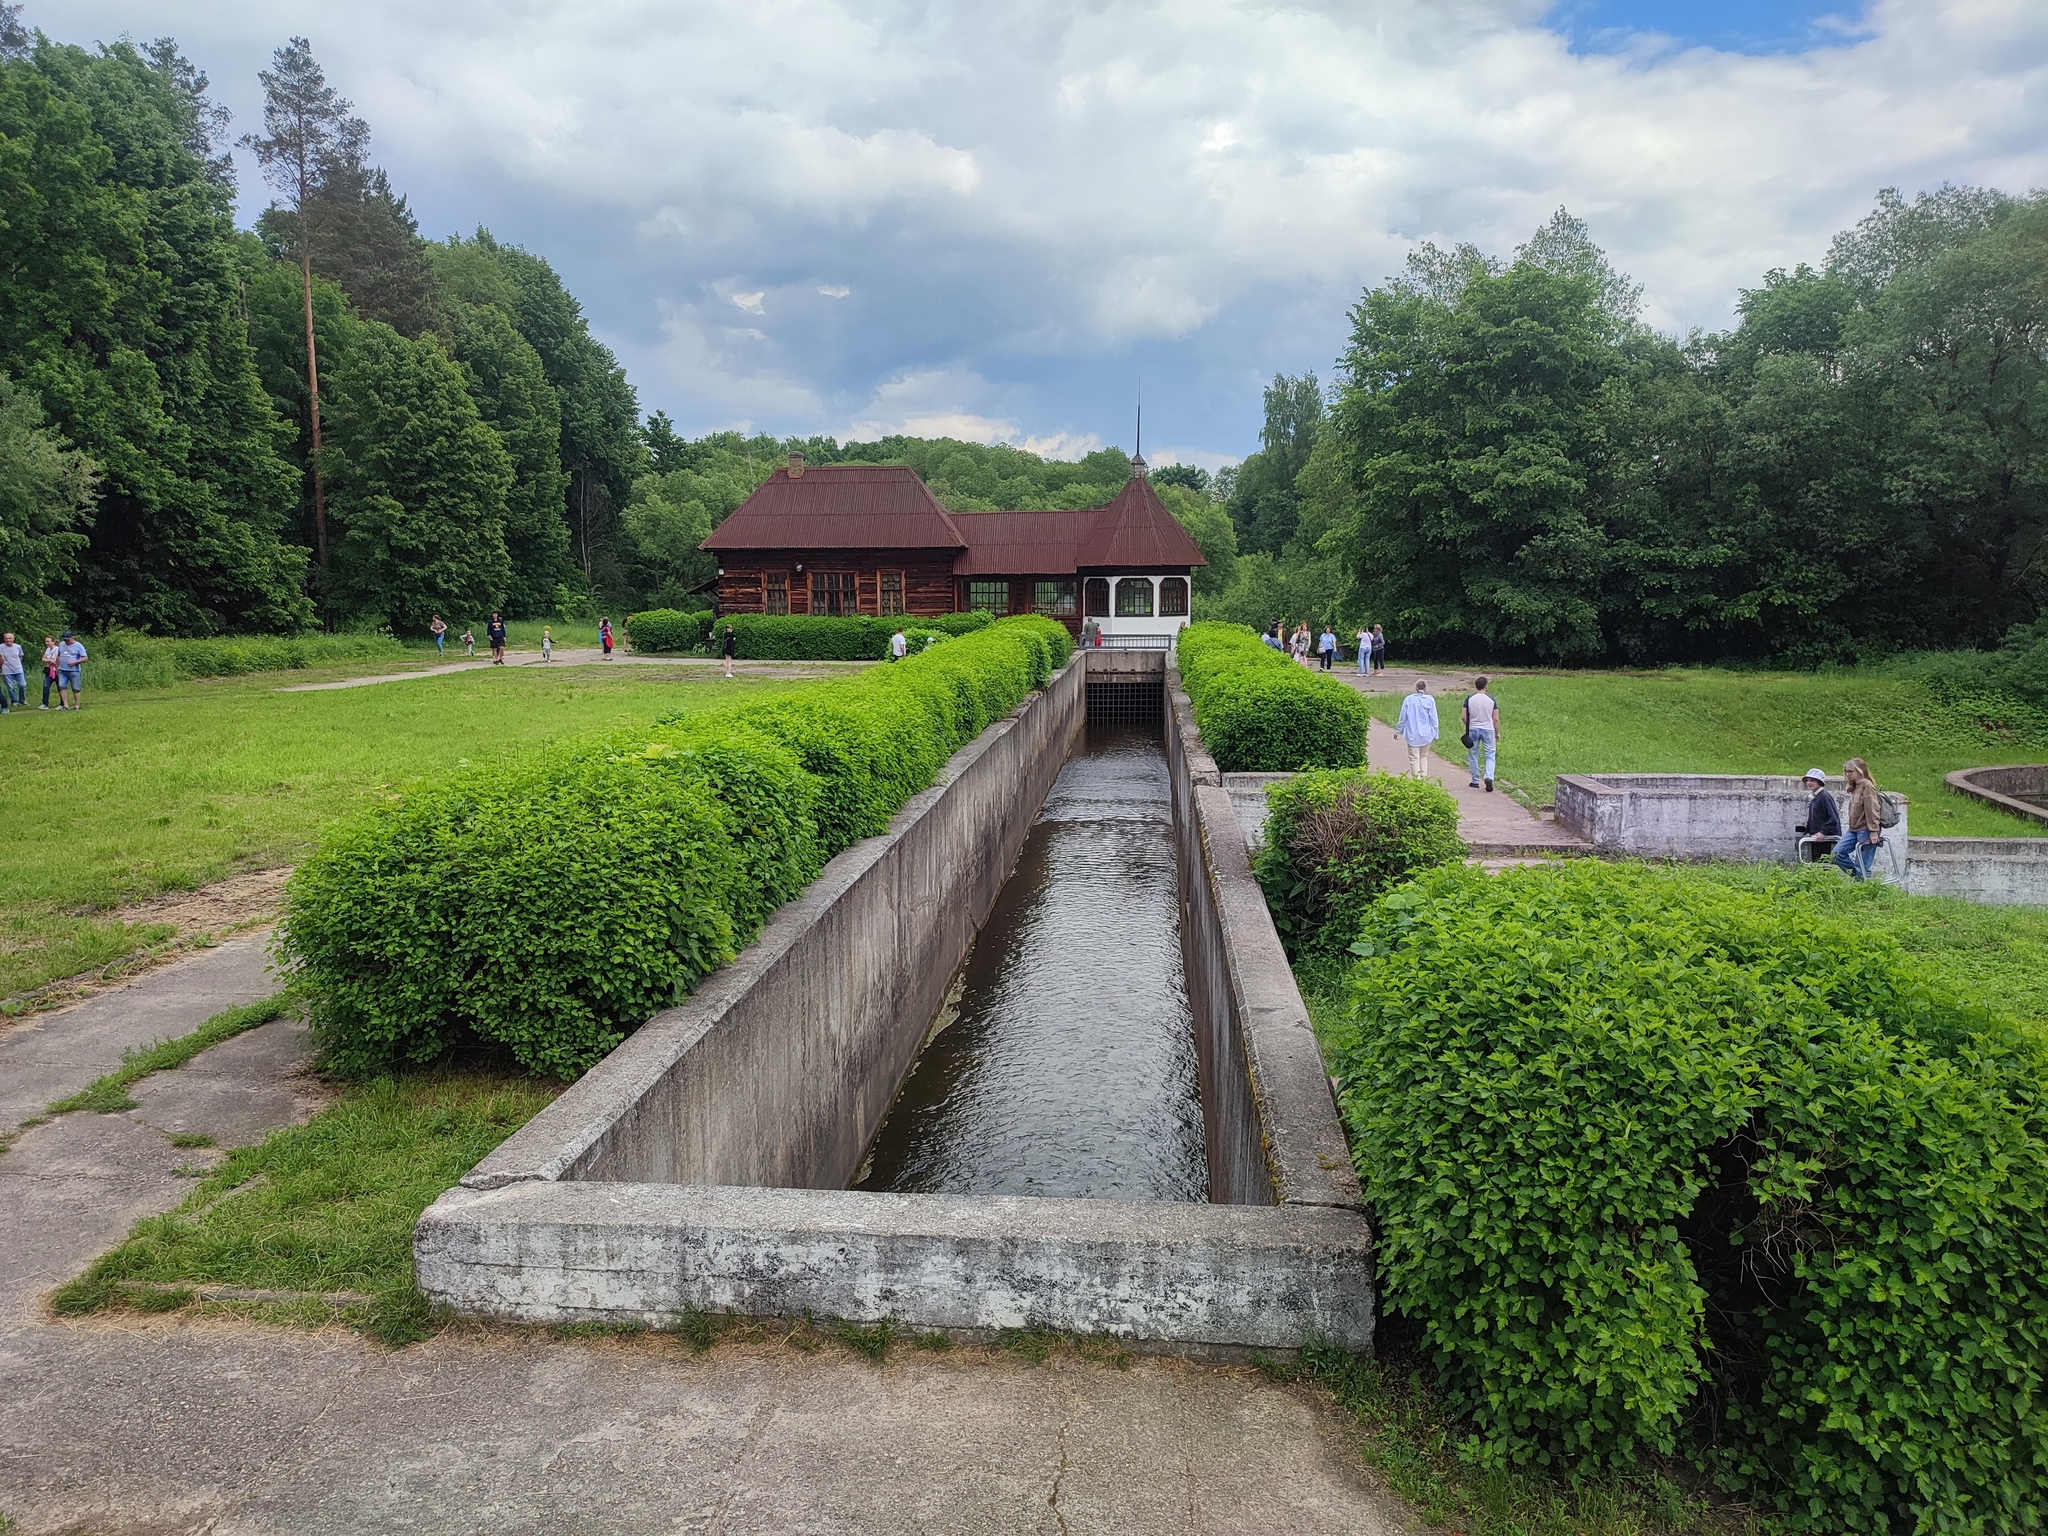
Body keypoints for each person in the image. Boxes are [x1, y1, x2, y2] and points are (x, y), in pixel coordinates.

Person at [1833, 758, 1884, 881]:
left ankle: (1863, 885)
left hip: (1866, 829)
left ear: (1860, 771)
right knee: (1837, 854)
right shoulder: (1856, 786)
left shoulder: (1867, 786)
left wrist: (1873, 831)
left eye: (1851, 771)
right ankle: (1860, 878)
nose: (1848, 774)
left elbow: (1872, 809)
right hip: (1854, 829)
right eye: (1847, 772)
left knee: (1862, 863)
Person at [1795, 768, 1841, 862]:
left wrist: (1823, 832)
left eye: (1813, 780)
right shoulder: (1816, 797)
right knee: (1816, 862)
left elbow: (1834, 818)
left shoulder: (1824, 797)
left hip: (1824, 838)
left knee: (1822, 863)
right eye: (1807, 780)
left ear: (1819, 782)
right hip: (1816, 837)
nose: (1809, 782)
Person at [1395, 680, 1439, 779]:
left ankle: (1417, 780)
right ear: (1425, 688)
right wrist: (1436, 733)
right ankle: (1424, 776)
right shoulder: (1430, 699)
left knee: (1414, 758)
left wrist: (1398, 731)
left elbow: (1402, 718)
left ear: (1415, 688)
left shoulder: (1409, 700)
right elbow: (1434, 718)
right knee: (1424, 756)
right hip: (1427, 733)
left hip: (1412, 733)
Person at [1463, 675, 1499, 792]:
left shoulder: (1469, 699)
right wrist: (1497, 733)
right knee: (1490, 754)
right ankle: (1489, 776)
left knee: (1473, 754)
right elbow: (1495, 719)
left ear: (1476, 686)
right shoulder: (1491, 700)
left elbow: (1464, 717)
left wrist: (1468, 726)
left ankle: (1475, 781)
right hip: (1488, 729)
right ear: (1485, 686)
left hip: (1473, 728)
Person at [54, 630, 87, 709]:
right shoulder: (61, 644)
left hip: (74, 670)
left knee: (76, 688)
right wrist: (57, 666)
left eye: (68, 639)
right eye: (65, 639)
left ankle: (77, 705)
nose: (66, 641)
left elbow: (85, 658)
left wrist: (75, 662)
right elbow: (58, 656)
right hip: (62, 670)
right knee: (61, 686)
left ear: (73, 638)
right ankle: (65, 705)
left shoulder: (78, 645)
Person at [0, 632, 24, 713]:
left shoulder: (18, 647)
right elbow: (1, 658)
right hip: (6, 669)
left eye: (9, 638)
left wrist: (17, 664)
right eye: (6, 639)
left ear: (13, 639)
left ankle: (22, 700)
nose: (8, 640)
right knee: (10, 687)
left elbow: (20, 656)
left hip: (18, 669)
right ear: (4, 639)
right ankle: (14, 701)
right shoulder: (1, 647)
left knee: (22, 685)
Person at [39, 635, 58, 709]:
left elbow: (55, 661)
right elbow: (43, 658)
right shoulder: (48, 649)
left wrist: (49, 660)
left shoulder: (57, 649)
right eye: (46, 641)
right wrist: (49, 660)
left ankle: (62, 703)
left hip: (56, 670)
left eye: (48, 641)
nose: (46, 643)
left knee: (60, 687)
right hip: (49, 670)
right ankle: (45, 703)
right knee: (45, 686)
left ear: (53, 642)